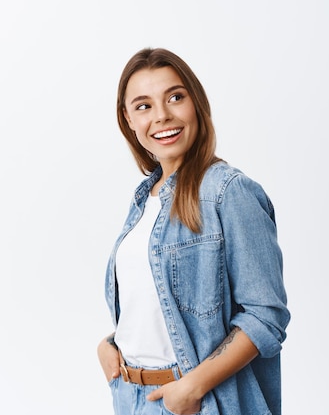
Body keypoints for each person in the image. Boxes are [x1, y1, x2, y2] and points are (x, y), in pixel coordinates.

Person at [97, 47, 290, 415]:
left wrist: (190, 388)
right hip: (131, 397)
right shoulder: (143, 201)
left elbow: (266, 316)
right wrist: (109, 345)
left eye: (175, 97)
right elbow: (156, 308)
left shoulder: (227, 192)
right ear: (128, 120)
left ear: (196, 103)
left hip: (198, 403)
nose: (162, 116)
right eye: (143, 106)